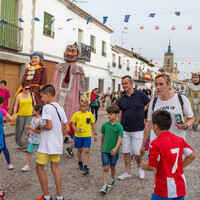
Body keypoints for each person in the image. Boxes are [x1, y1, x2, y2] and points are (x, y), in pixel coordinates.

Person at [140, 110, 196, 200]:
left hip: (163, 188)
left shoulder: (155, 143)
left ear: (156, 126)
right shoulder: (179, 139)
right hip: (180, 186)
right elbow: (192, 155)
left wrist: (144, 166)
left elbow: (152, 166)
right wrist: (180, 166)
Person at [140, 74, 194, 158]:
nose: (158, 87)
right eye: (156, 84)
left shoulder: (181, 99)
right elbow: (149, 124)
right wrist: (143, 144)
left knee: (174, 170)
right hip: (157, 143)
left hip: (175, 143)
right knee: (157, 169)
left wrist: (185, 125)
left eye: (161, 84)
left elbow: (191, 119)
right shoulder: (154, 102)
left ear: (169, 85)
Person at [36, 84, 69, 200]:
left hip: (46, 143)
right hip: (57, 143)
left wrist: (41, 126)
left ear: (48, 95)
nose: (41, 99)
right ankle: (60, 197)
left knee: (39, 167)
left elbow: (49, 126)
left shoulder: (47, 107)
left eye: (42, 96)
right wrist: (59, 136)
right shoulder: (60, 108)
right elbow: (67, 128)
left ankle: (46, 196)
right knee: (55, 168)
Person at [117, 75, 150, 180]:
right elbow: (120, 114)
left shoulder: (141, 95)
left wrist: (144, 111)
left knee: (137, 152)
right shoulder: (122, 98)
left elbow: (150, 103)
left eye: (125, 83)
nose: (124, 86)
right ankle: (128, 172)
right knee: (125, 152)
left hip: (138, 129)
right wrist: (119, 127)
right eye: (122, 84)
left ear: (131, 83)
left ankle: (141, 169)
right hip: (125, 130)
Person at [52, 44, 85, 121]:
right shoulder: (59, 67)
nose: (70, 54)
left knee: (69, 117)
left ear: (78, 54)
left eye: (73, 51)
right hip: (57, 96)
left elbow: (81, 84)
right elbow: (54, 81)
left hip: (72, 99)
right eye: (68, 50)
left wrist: (82, 98)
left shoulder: (79, 69)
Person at [100, 105, 123, 194]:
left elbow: (119, 139)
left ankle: (112, 178)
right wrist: (101, 146)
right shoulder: (104, 125)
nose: (109, 116)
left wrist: (116, 148)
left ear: (117, 114)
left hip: (114, 151)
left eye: (111, 114)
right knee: (105, 167)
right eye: (108, 114)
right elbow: (103, 136)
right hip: (105, 150)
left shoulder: (119, 127)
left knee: (112, 166)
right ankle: (105, 185)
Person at [71, 97, 97, 175]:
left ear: (87, 106)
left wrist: (95, 134)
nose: (82, 108)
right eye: (81, 106)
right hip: (78, 135)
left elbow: (93, 125)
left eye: (84, 106)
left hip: (87, 135)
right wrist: (75, 129)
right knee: (79, 150)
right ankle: (80, 162)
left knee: (87, 150)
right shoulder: (76, 114)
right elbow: (72, 123)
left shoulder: (90, 115)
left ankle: (85, 166)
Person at [13, 83, 36, 151]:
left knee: (26, 130)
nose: (27, 90)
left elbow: (34, 102)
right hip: (21, 115)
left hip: (29, 114)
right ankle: (21, 144)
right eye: (26, 89)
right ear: (22, 88)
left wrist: (35, 110)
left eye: (29, 88)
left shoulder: (32, 94)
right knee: (20, 130)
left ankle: (26, 146)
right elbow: (16, 105)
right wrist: (14, 114)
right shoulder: (19, 95)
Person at [22, 104, 43, 172]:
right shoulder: (33, 118)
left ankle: (42, 164)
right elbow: (30, 127)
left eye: (34, 109)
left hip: (39, 139)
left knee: (40, 152)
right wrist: (27, 134)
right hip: (31, 138)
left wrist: (30, 128)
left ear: (38, 111)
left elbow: (39, 131)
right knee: (29, 152)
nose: (32, 111)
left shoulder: (41, 120)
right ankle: (27, 165)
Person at [0, 95, 15, 170]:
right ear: (2, 103)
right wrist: (4, 120)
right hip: (0, 133)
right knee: (4, 147)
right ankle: (9, 163)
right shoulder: (2, 110)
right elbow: (10, 118)